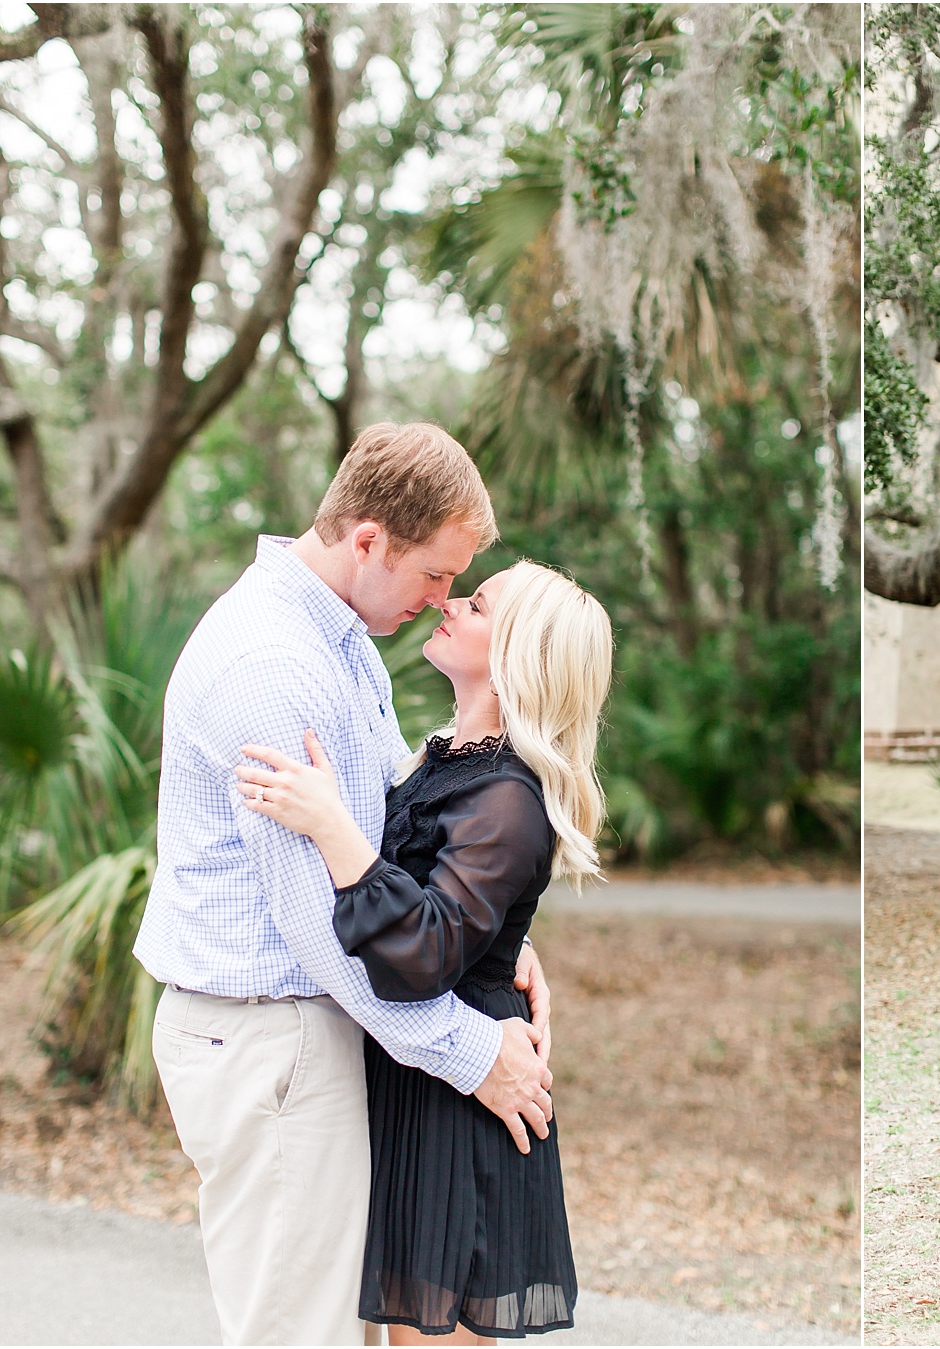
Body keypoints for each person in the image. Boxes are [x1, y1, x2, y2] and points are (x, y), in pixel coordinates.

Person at [135, 423, 557, 1346]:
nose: (442, 601)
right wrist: (470, 1051)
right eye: (437, 576)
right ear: (368, 540)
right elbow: (316, 927)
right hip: (271, 1034)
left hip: (319, 1029)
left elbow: (383, 837)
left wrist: (497, 937)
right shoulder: (274, 666)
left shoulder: (342, 637)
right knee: (299, 1334)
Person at [237, 560, 611, 1343]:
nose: (449, 603)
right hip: (421, 1077)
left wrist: (332, 828)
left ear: (516, 653)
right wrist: (513, 936)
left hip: (461, 1101)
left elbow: (428, 950)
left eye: (476, 603)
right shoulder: (450, 757)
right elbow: (451, 898)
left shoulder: (507, 792)